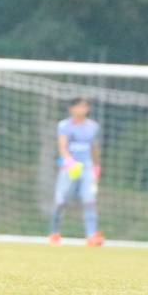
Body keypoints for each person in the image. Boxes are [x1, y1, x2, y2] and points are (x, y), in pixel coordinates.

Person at [49, 97, 103, 246]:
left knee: (89, 200)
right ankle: (54, 233)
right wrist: (69, 161)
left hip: (86, 168)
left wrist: (96, 166)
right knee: (61, 201)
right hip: (69, 168)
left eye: (84, 107)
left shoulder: (93, 126)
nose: (81, 110)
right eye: (78, 107)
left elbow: (94, 147)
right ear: (71, 108)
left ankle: (92, 235)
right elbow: (62, 146)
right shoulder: (64, 125)